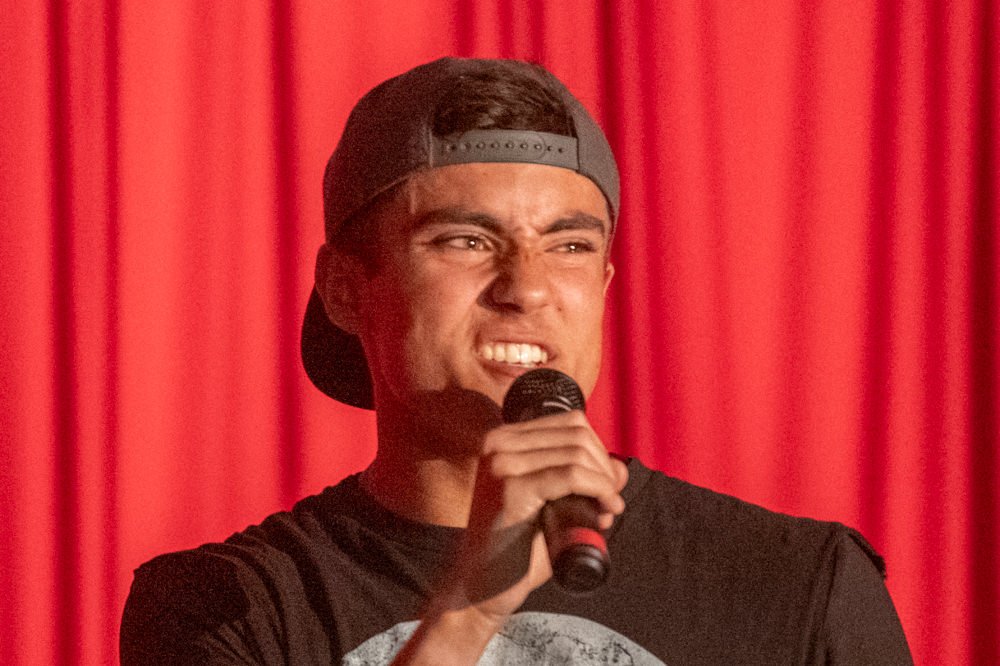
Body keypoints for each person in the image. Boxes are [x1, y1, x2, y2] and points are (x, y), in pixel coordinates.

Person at [120, 57, 912, 664]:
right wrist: (467, 611)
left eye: (569, 246)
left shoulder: (800, 584)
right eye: (465, 241)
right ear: (345, 290)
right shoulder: (226, 607)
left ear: (602, 285)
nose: (527, 288)